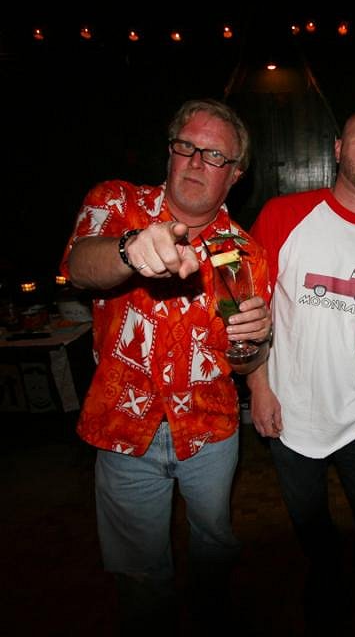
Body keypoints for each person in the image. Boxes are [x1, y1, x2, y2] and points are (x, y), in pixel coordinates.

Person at [60, 98, 272, 634]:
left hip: (211, 431)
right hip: (123, 427)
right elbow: (79, 267)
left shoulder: (246, 252)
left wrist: (257, 342)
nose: (197, 161)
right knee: (139, 575)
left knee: (215, 544)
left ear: (235, 175)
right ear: (170, 151)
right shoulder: (116, 202)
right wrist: (131, 250)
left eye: (215, 155)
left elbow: (245, 361)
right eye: (187, 146)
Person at [248, 106, 355, 635]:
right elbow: (248, 311)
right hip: (289, 409)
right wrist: (257, 385)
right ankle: (327, 581)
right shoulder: (282, 215)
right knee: (309, 524)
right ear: (339, 149)